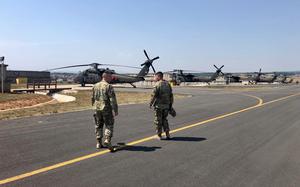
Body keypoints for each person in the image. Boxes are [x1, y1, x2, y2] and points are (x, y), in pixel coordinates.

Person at [92, 71, 118, 151]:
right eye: (110, 77)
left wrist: (94, 106)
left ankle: (98, 143)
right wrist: (115, 110)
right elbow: (112, 100)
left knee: (98, 125)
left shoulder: (95, 86)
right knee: (109, 125)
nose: (111, 78)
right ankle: (107, 140)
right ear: (105, 76)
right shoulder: (109, 86)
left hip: (97, 108)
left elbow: (92, 98)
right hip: (106, 108)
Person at [150, 71, 174, 140]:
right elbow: (171, 96)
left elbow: (153, 95)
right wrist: (170, 105)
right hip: (166, 106)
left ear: (159, 76)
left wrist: (151, 103)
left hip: (159, 106)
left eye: (155, 76)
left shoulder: (157, 84)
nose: (154, 78)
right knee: (165, 120)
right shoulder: (168, 84)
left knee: (158, 120)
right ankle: (167, 134)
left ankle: (159, 135)